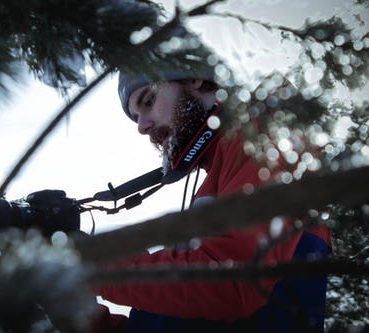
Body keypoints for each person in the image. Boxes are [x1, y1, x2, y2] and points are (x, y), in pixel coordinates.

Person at [89, 65, 331, 333]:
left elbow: (234, 284)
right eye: (136, 117)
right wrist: (86, 320)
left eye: (148, 101)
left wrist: (97, 270)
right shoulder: (213, 182)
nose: (142, 127)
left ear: (194, 78)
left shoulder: (263, 133)